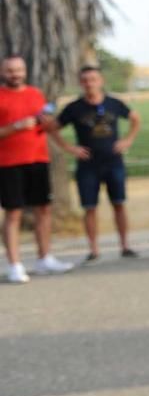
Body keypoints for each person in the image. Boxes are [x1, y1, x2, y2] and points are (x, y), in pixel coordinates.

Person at [43, 66, 141, 260]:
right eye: (86, 80)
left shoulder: (114, 103)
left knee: (119, 203)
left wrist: (128, 140)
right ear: (81, 83)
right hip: (88, 165)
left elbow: (135, 119)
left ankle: (125, 245)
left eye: (93, 79)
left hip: (113, 162)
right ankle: (94, 249)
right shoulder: (74, 108)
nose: (90, 84)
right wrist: (69, 147)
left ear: (101, 81)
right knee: (89, 207)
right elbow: (52, 128)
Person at [0, 56, 74, 283]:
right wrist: (16, 126)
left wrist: (47, 122)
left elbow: (46, 126)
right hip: (9, 163)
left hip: (38, 159)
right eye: (11, 70)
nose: (16, 74)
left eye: (19, 69)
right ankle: (14, 265)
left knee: (43, 209)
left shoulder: (35, 94)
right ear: (3, 72)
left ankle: (45, 258)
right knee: (14, 213)